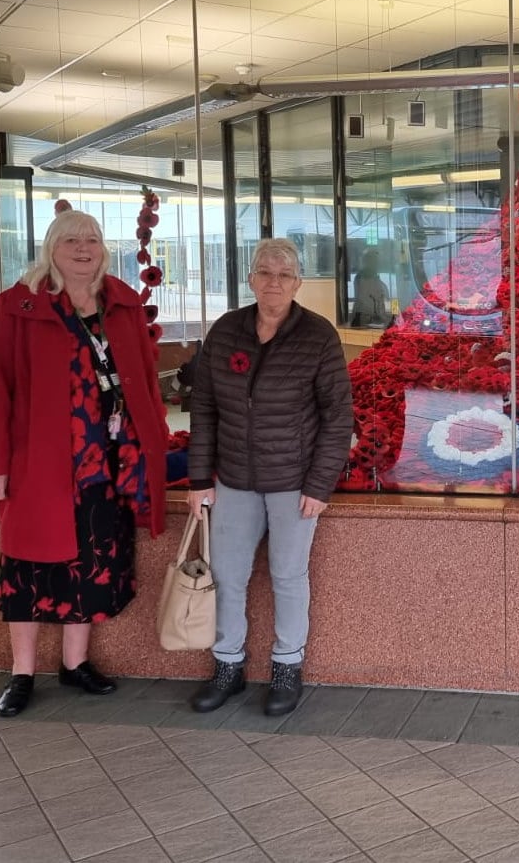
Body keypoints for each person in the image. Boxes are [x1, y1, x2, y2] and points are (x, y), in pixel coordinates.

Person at [0, 208, 169, 718]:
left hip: (106, 465)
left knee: (92, 562)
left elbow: (146, 385)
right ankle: (21, 674)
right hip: (39, 462)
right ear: (51, 248)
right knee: (28, 565)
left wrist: (153, 445)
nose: (84, 248)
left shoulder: (122, 305)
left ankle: (75, 664)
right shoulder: (19, 306)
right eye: (71, 240)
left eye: (93, 240)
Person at [187, 238, 354, 716]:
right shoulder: (226, 331)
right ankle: (228, 665)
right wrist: (200, 480)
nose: (273, 281)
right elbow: (203, 410)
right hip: (234, 480)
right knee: (228, 576)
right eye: (264, 272)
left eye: (283, 274)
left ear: (298, 282)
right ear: (251, 279)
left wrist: (320, 484)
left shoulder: (317, 335)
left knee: (287, 575)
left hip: (294, 484)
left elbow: (338, 415)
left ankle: (286, 666)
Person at [349, 248, 391, 328]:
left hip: (374, 320)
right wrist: (382, 317)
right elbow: (366, 302)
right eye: (375, 260)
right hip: (365, 321)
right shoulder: (363, 277)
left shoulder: (376, 277)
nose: (378, 263)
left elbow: (382, 299)